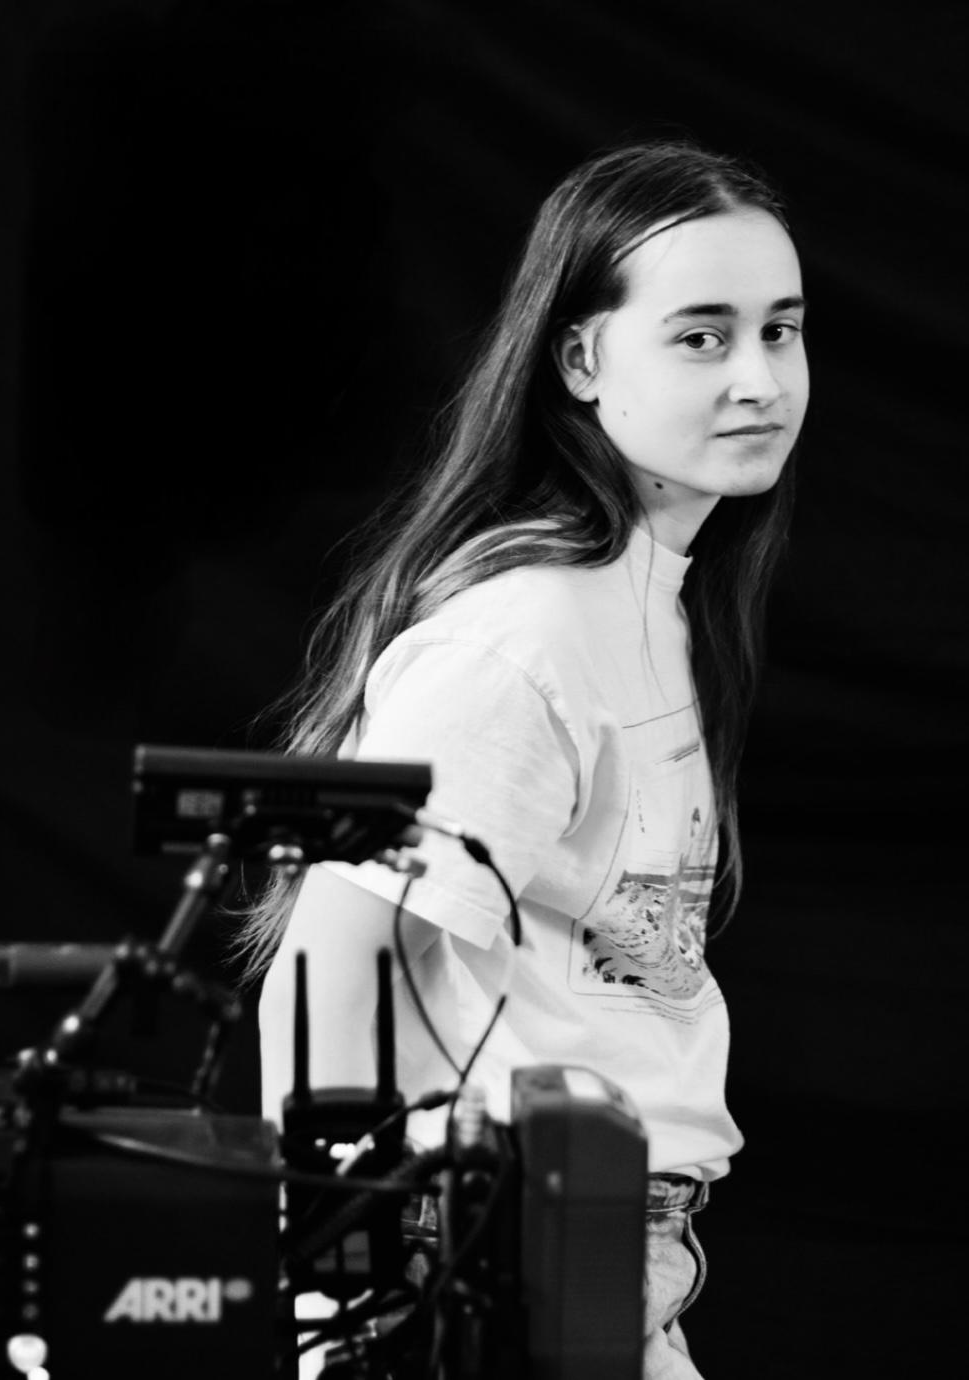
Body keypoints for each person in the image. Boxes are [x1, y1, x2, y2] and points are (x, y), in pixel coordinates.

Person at [246, 137, 809, 1378]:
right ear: (578, 360)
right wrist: (335, 1311)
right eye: (701, 336)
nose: (758, 378)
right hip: (485, 1264)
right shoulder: (522, 639)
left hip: (603, 1257)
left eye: (779, 330)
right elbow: (330, 966)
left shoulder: (652, 607)